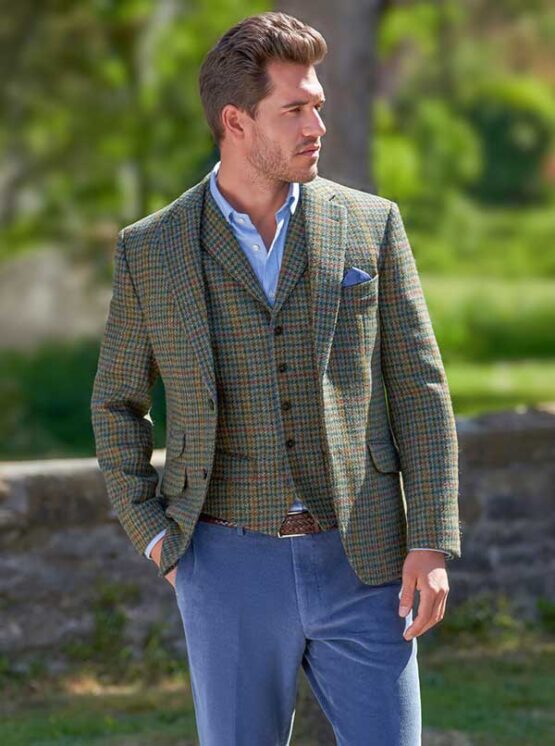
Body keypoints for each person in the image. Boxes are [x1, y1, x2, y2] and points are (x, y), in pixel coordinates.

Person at [91, 11, 461, 746]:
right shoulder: (152, 249)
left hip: (365, 558)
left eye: (317, 105)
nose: (316, 125)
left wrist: (430, 539)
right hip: (224, 563)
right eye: (294, 110)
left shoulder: (371, 224)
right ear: (236, 121)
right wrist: (156, 539)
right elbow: (116, 404)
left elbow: (420, 389)